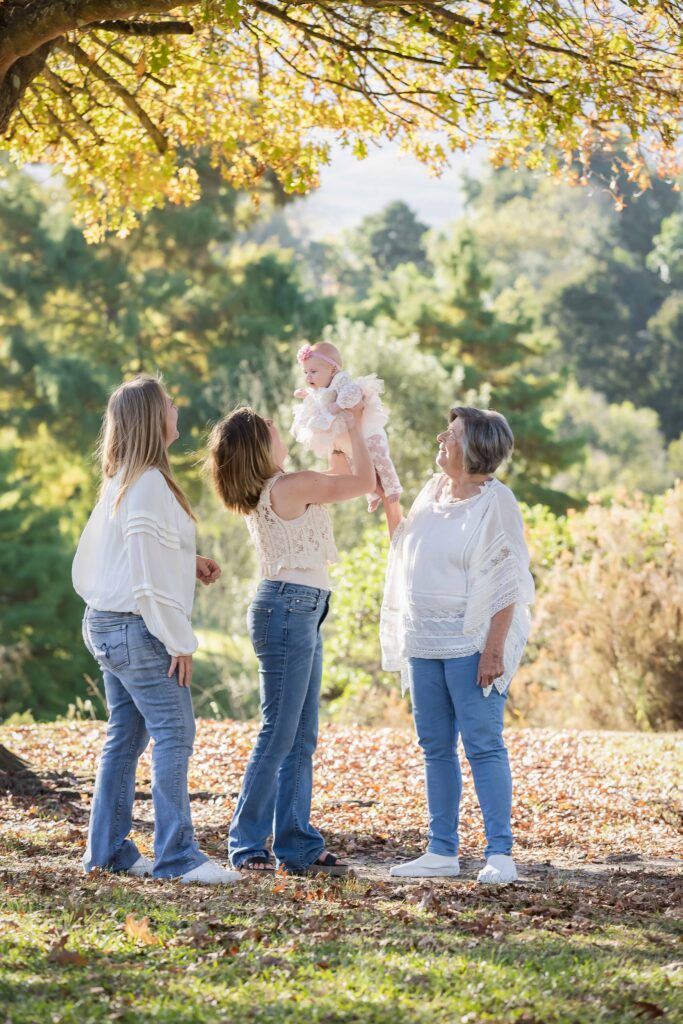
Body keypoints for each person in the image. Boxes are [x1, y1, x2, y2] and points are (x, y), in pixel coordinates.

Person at [73, 374, 240, 885]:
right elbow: (144, 579)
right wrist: (178, 641)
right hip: (134, 627)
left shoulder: (127, 477)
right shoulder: (145, 482)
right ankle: (178, 857)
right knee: (175, 733)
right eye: (168, 401)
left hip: (107, 623)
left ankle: (109, 851)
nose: (176, 406)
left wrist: (187, 560)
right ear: (152, 417)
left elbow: (130, 557)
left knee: (126, 736)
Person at [206, 404, 374, 873]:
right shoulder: (288, 485)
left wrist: (335, 423)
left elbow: (340, 471)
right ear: (260, 446)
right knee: (280, 733)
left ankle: (296, 843)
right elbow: (361, 481)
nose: (281, 432)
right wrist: (357, 426)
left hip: (300, 608)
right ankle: (245, 842)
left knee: (299, 736)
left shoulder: (285, 486)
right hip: (288, 608)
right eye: (272, 430)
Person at [380, 406, 535, 883]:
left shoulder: (496, 501)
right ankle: (441, 851)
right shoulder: (432, 490)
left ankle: (500, 854)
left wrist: (493, 651)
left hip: (470, 644)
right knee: (435, 747)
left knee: (483, 744)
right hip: (424, 637)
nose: (440, 439)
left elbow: (508, 579)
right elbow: (406, 548)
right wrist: (389, 502)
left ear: (475, 448)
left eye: (451, 434)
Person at [292, 340, 402, 511]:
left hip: (367, 432)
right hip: (347, 438)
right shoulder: (320, 387)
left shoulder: (341, 380)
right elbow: (319, 397)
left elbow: (353, 393)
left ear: (333, 369)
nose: (308, 377)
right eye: (305, 372)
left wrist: (337, 406)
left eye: (313, 371)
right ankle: (373, 493)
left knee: (380, 459)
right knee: (356, 466)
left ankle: (393, 487)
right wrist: (306, 393)